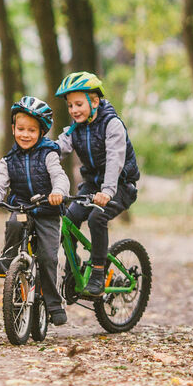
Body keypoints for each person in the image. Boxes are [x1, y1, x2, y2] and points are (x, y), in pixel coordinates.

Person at [0, 96, 70, 325]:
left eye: (32, 130)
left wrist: (58, 191)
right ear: (13, 129)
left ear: (41, 132)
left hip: (47, 211)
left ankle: (53, 303)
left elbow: (60, 177)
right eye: (21, 129)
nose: (25, 134)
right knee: (13, 223)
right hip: (23, 207)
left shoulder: (49, 154)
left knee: (48, 257)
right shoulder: (9, 159)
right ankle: (10, 260)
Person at [54, 72, 140, 296]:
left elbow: (115, 161)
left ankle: (99, 273)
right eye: (70, 105)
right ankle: (73, 270)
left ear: (94, 101)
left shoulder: (112, 125)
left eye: (79, 104)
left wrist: (108, 191)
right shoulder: (75, 129)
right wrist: (37, 159)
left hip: (120, 185)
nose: (74, 110)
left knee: (96, 217)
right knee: (69, 218)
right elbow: (56, 150)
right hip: (92, 185)